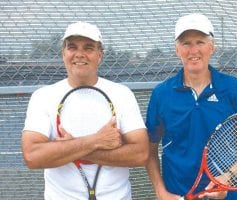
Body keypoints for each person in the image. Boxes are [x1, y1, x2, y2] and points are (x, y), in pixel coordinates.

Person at [22, 21, 149, 200]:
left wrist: (70, 147)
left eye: (88, 48)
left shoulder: (122, 94)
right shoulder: (42, 97)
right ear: (63, 53)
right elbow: (33, 156)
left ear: (100, 55)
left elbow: (141, 154)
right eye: (72, 47)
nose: (79, 54)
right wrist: (97, 140)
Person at [145, 13, 237, 200]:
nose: (193, 50)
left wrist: (228, 178)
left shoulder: (233, 88)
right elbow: (150, 148)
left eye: (200, 42)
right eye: (186, 43)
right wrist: (160, 191)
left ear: (212, 47)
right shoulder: (161, 94)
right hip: (178, 193)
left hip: (226, 195)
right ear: (177, 49)